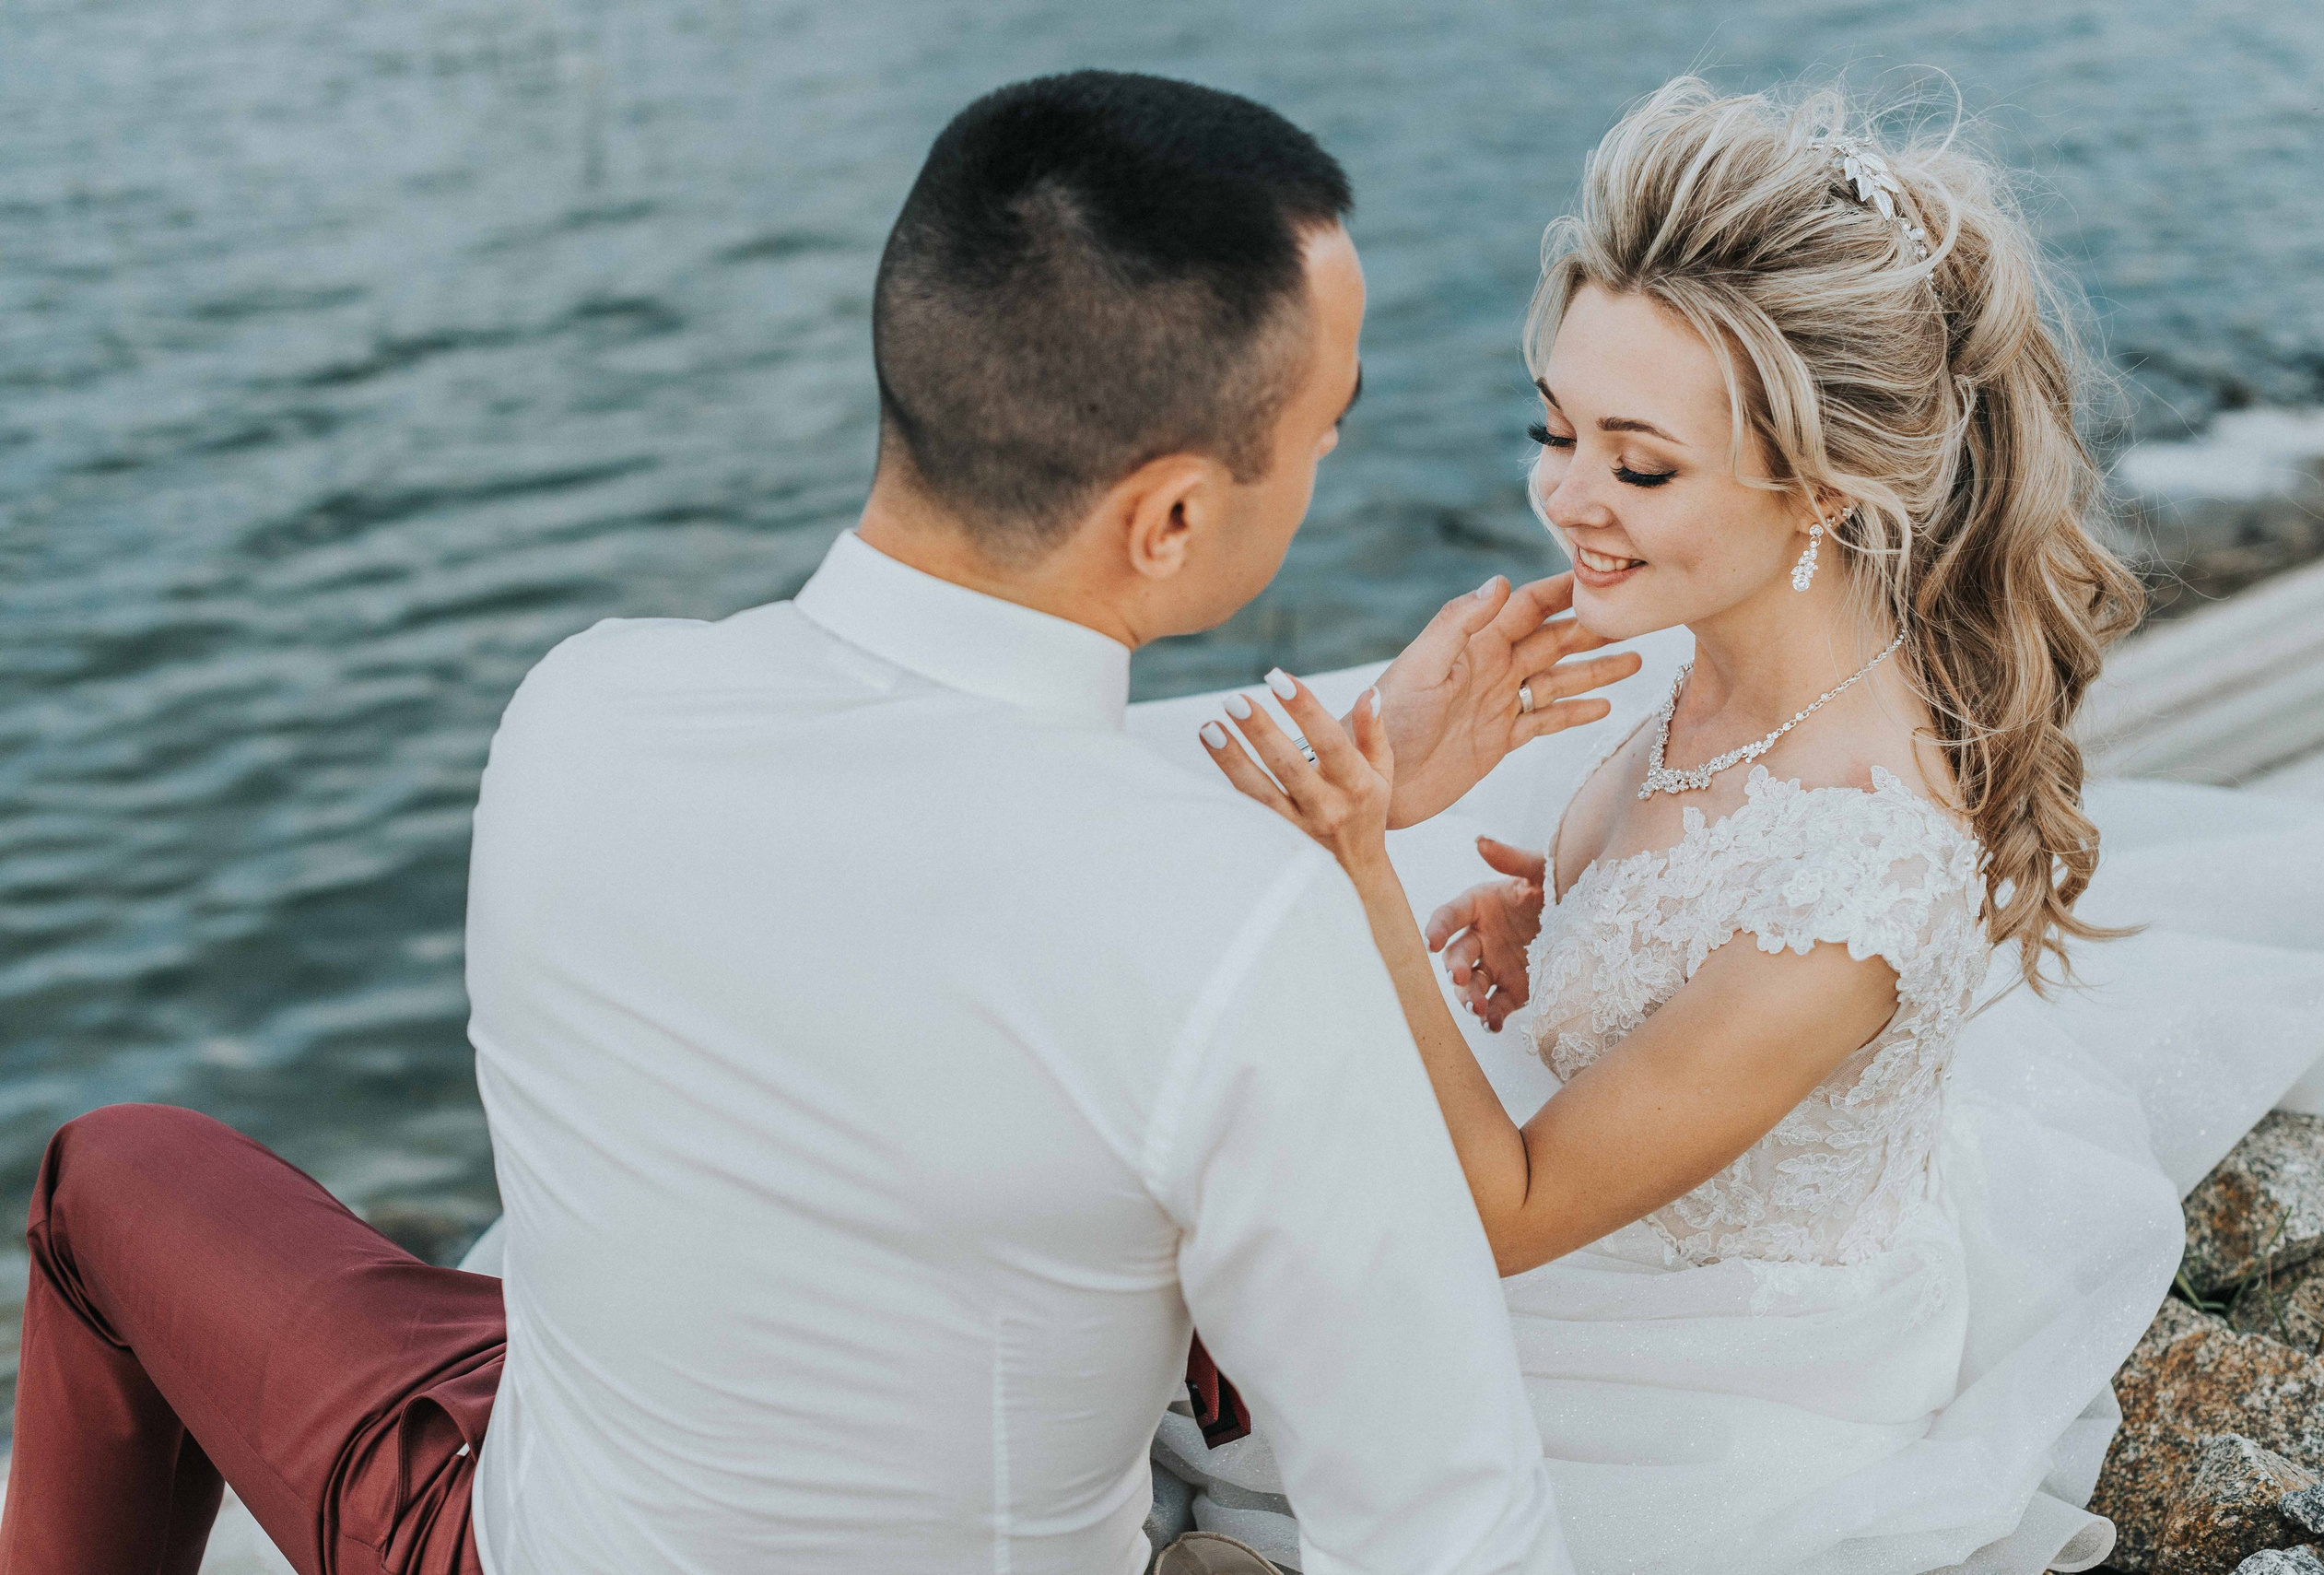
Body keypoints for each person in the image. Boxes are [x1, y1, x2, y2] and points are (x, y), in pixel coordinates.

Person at [0, 72, 1638, 1575]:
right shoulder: (1237, 928)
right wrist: (1332, 837)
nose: (1333, 453)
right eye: (1326, 427)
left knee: (115, 1172)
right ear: (1172, 518)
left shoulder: (577, 707)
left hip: (509, 1539)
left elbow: (937, 867)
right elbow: (1454, 1532)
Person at [1182, 77, 2324, 1574]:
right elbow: (1691, 877)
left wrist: (1355, 863)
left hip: (1691, 1369)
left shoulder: (1855, 881)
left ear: (1822, 490)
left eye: (1640, 464)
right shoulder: (1706, 646)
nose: (1566, 498)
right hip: (1600, 1183)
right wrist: (1562, 926)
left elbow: (1511, 1211)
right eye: (1555, 428)